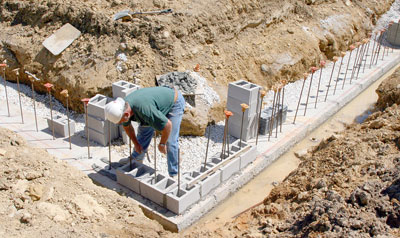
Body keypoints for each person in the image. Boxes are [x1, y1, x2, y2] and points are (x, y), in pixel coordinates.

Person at [105, 86, 185, 178]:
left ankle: (174, 173)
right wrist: (136, 144)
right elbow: (128, 127)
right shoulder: (123, 107)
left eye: (121, 121)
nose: (122, 123)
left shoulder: (143, 110)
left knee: (170, 141)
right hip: (153, 105)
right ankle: (137, 158)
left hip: (174, 102)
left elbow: (168, 125)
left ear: (127, 115)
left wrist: (162, 144)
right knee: (144, 130)